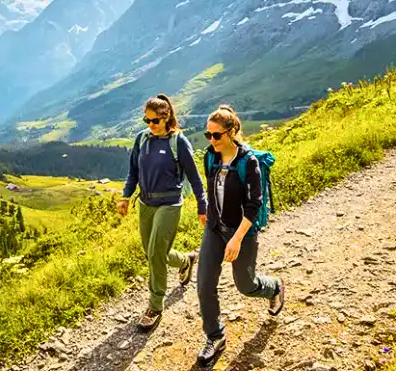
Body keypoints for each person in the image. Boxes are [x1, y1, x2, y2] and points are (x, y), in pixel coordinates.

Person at [194, 105, 284, 369]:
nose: (211, 141)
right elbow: (213, 191)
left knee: (245, 285)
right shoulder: (210, 157)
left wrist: (236, 239)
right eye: (207, 135)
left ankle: (274, 287)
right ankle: (215, 336)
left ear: (231, 132)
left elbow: (254, 205)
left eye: (216, 135)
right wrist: (208, 215)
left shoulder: (249, 162)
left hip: (242, 232)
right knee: (203, 285)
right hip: (215, 229)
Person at [118, 93, 207, 331]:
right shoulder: (142, 139)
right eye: (146, 120)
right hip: (146, 204)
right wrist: (125, 197)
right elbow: (133, 172)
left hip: (169, 204)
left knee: (156, 252)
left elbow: (194, 177)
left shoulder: (178, 142)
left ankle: (155, 306)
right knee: (152, 252)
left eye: (154, 121)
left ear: (166, 118)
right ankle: (185, 261)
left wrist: (202, 205)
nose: (150, 125)